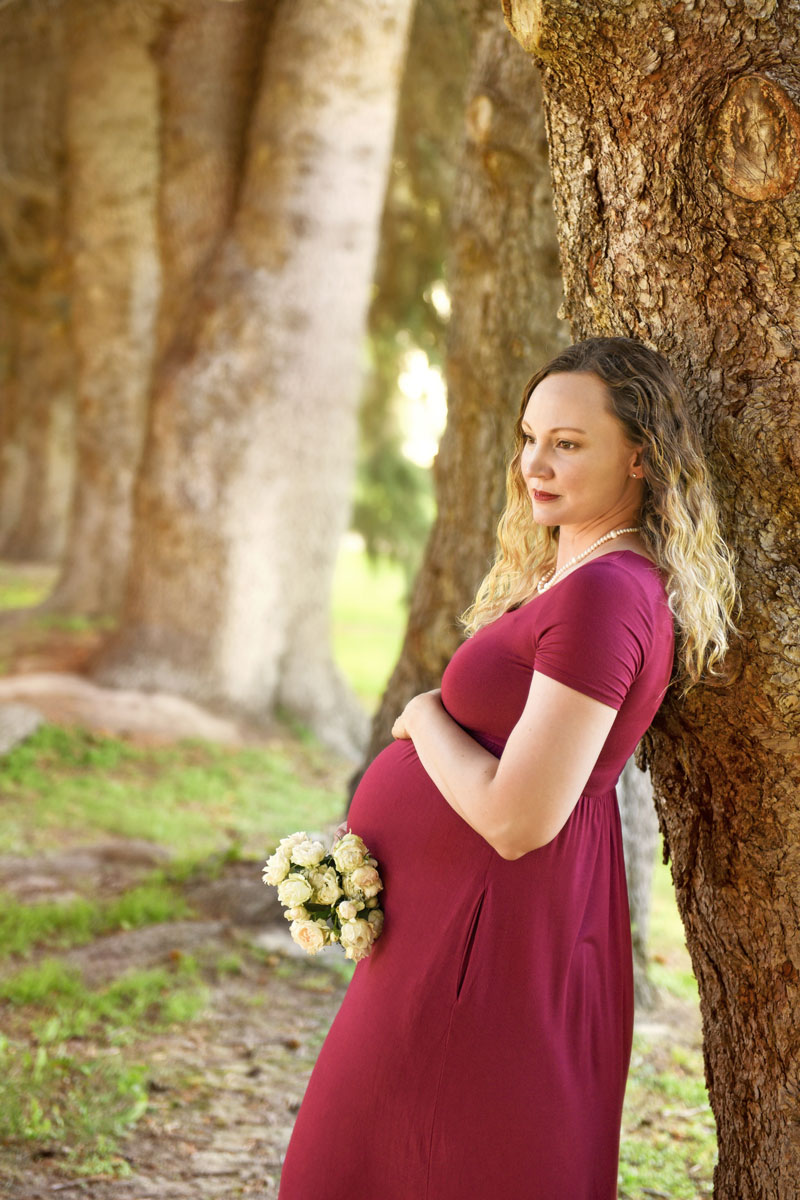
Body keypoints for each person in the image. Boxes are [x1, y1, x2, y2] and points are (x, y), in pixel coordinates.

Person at [277, 336, 739, 1200]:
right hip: (456, 931)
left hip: (492, 945)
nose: (535, 462)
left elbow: (519, 819)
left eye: (569, 443)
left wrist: (421, 717)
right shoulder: (582, 572)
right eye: (531, 438)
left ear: (641, 455)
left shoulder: (608, 594)